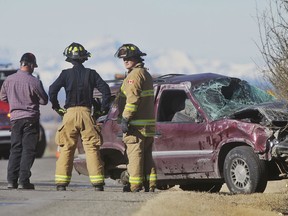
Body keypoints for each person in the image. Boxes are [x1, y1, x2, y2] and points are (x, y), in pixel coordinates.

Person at [49, 42, 111, 191]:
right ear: (84, 58)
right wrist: (101, 111)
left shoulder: (65, 74)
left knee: (66, 148)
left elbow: (52, 90)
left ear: (69, 59)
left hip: (69, 115)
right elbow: (106, 91)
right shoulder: (92, 74)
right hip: (86, 114)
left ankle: (61, 184)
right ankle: (97, 184)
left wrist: (57, 108)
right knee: (91, 148)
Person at [0, 53, 48, 190]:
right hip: (30, 119)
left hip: (15, 120)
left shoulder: (8, 80)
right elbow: (44, 100)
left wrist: (15, 101)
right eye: (34, 66)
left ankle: (11, 181)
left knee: (15, 149)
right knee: (28, 150)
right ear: (31, 65)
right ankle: (23, 181)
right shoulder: (35, 82)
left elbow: (3, 97)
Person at [114, 43, 157, 192]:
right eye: (123, 59)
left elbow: (132, 100)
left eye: (129, 58)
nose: (125, 61)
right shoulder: (145, 73)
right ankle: (150, 184)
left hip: (136, 126)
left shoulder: (134, 76)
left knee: (135, 155)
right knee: (146, 156)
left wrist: (125, 118)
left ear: (136, 58)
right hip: (147, 125)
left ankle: (135, 185)